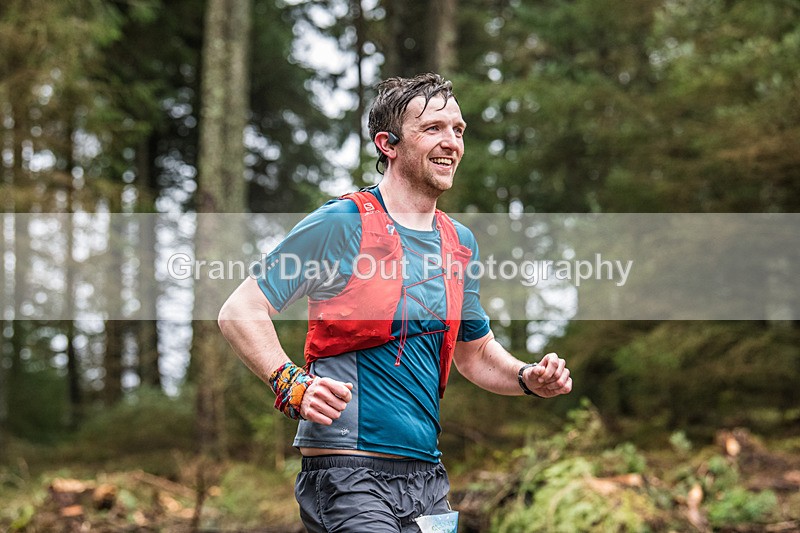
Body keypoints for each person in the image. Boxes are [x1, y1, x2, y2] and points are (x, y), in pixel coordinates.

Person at [218, 72, 572, 532]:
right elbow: (240, 310)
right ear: (388, 144)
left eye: (458, 130)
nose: (451, 142)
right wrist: (290, 382)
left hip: (427, 477)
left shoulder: (457, 242)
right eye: (433, 129)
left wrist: (527, 377)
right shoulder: (342, 222)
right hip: (349, 472)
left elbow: (475, 354)